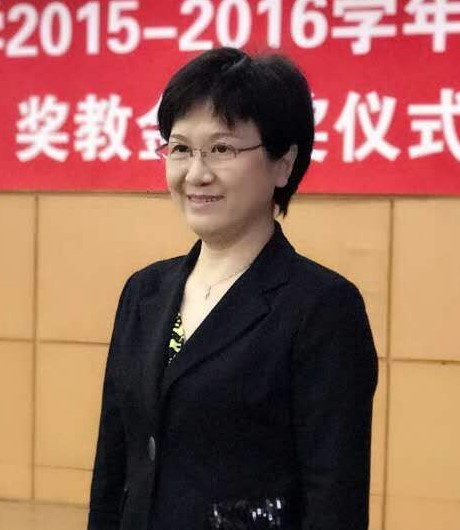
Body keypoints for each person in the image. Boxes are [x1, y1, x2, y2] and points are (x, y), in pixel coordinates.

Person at [87, 47, 378, 530]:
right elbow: (113, 465)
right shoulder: (144, 292)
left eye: (221, 149)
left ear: (283, 163)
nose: (196, 173)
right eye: (180, 148)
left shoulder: (321, 307)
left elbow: (334, 498)